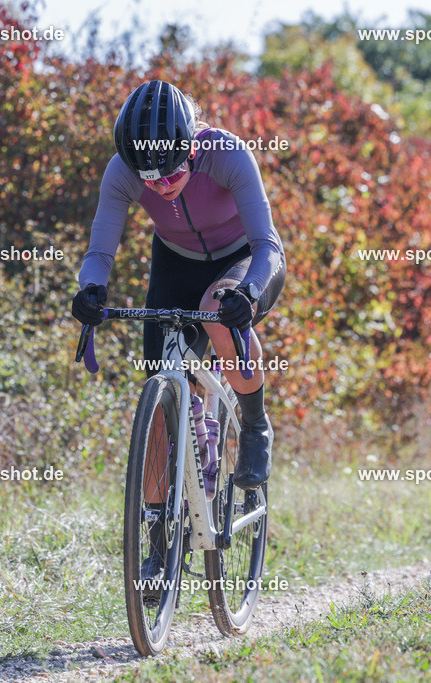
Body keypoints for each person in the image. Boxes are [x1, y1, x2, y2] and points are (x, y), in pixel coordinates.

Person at [70, 80, 286, 588]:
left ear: (192, 146)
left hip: (243, 260)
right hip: (175, 262)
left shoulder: (227, 153)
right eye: (151, 177)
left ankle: (254, 425)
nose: (162, 185)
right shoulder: (124, 170)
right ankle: (157, 546)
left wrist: (249, 294)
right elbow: (100, 252)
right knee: (160, 401)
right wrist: (90, 290)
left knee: (217, 310)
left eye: (171, 172)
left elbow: (267, 245)